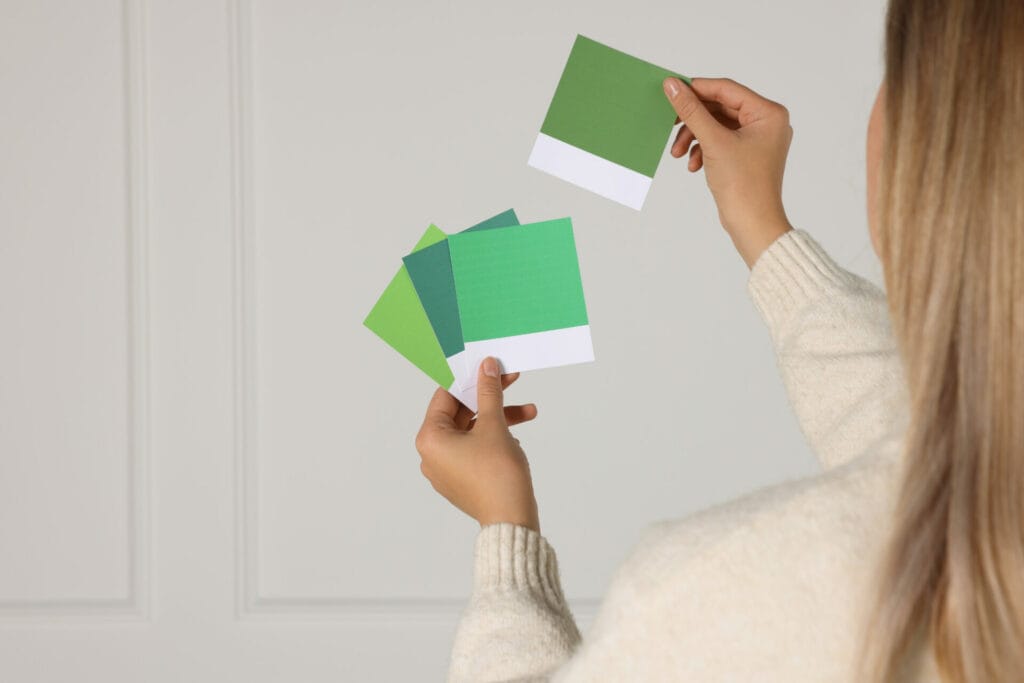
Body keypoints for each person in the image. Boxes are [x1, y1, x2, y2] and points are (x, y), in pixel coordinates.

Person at [413, 0, 1024, 680]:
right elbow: (907, 435)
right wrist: (763, 227)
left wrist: (505, 534)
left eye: (898, 71)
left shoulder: (730, 595)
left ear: (944, 151)